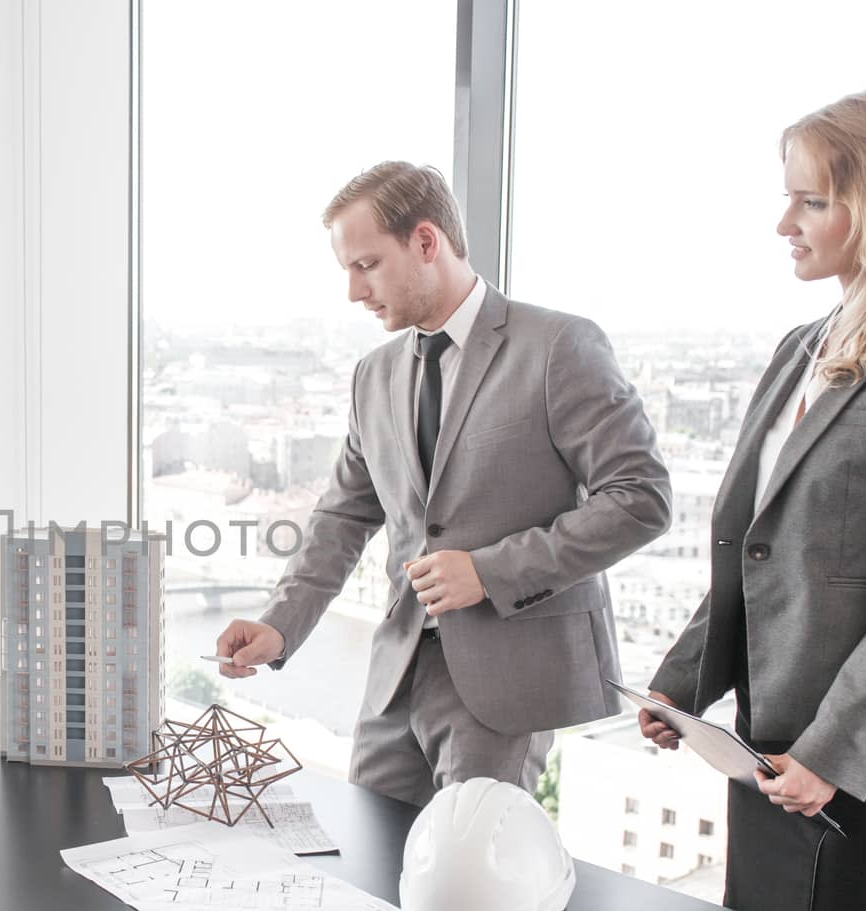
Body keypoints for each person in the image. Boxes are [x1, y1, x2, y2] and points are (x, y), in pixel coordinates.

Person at [216, 161, 670, 805]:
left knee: (471, 882)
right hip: (397, 671)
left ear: (425, 242)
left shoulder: (558, 345)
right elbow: (343, 519)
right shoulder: (373, 374)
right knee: (368, 863)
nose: (352, 291)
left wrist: (487, 570)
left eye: (366, 265)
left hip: (504, 678)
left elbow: (640, 498)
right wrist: (280, 626)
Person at [642, 84, 866, 911]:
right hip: (766, 747)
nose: (781, 223)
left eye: (810, 201)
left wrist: (833, 754)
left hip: (865, 760)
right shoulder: (803, 346)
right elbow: (749, 550)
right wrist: (680, 681)